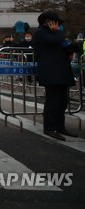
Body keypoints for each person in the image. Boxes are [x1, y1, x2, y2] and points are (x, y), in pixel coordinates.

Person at [32, 11, 77, 141]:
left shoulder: (53, 34)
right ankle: (50, 127)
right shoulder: (41, 33)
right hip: (51, 72)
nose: (58, 25)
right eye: (56, 22)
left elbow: (61, 44)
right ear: (48, 22)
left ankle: (60, 126)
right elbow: (57, 41)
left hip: (61, 70)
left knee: (62, 101)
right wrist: (58, 32)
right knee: (53, 101)